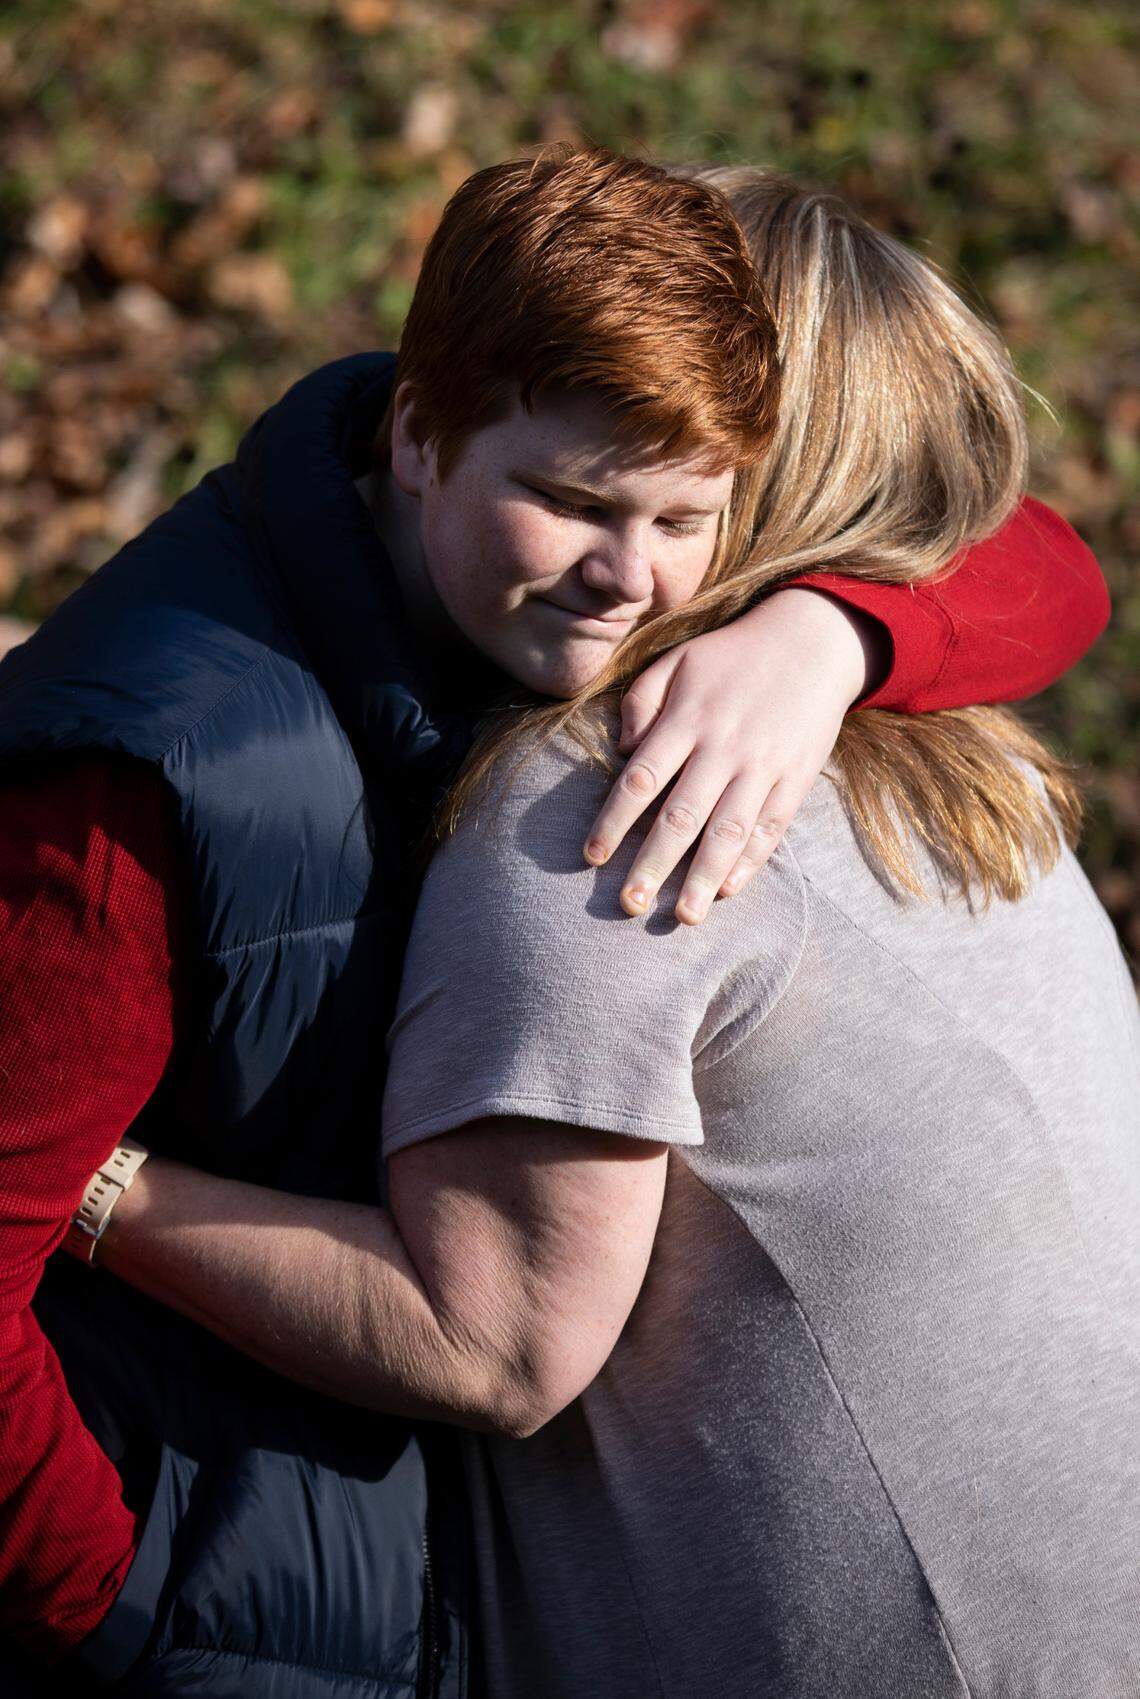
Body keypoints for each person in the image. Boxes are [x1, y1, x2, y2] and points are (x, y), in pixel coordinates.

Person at [0, 149, 1110, 1695]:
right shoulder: (167, 772)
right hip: (189, 1568)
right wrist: (96, 1596)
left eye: (684, 515)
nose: (629, 577)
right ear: (422, 438)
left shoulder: (614, 728)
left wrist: (835, 627)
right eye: (578, 500)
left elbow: (1038, 556)